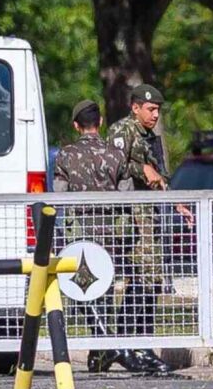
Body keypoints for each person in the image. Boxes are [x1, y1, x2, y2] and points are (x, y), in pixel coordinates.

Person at [53, 100, 149, 373]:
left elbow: (58, 194)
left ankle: (103, 345)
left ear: (76, 125)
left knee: (80, 290)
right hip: (111, 234)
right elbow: (126, 195)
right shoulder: (116, 155)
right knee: (104, 289)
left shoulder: (66, 155)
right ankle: (102, 350)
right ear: (101, 123)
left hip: (80, 234)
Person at [106, 84, 183, 374]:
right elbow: (114, 166)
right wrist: (142, 170)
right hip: (130, 219)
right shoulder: (121, 131)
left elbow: (160, 175)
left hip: (149, 218)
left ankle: (136, 343)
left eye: (158, 110)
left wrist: (176, 202)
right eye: (151, 109)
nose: (155, 114)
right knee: (141, 278)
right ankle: (132, 344)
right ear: (135, 107)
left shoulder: (151, 138)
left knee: (149, 280)